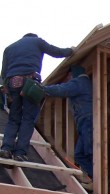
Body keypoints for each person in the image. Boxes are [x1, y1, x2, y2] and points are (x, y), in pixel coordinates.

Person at [0, 33, 73, 162]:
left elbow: (3, 73)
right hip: (29, 83)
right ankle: (20, 153)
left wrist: (6, 89)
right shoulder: (37, 42)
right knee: (28, 118)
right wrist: (71, 51)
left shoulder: (9, 48)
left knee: (13, 118)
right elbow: (56, 51)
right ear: (33, 37)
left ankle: (6, 148)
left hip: (12, 83)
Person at [43, 65, 93, 188]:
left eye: (69, 76)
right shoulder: (84, 83)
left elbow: (62, 89)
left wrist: (42, 89)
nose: (68, 79)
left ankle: (98, 183)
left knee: (90, 151)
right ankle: (93, 180)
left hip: (87, 120)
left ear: (73, 74)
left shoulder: (80, 81)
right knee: (80, 154)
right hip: (84, 121)